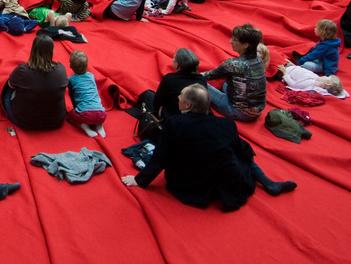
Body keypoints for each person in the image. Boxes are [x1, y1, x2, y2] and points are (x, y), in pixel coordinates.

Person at [121, 84, 297, 211]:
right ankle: (265, 180)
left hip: (187, 182)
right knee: (241, 150)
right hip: (223, 178)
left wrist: (139, 180)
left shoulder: (174, 124)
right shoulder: (226, 125)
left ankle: (266, 182)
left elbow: (161, 157)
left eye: (181, 96)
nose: (178, 98)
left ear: (188, 104)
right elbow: (243, 150)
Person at [201, 23, 266, 122]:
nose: (230, 41)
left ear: (245, 45)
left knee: (198, 83)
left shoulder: (234, 64)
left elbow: (207, 76)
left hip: (239, 111)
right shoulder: (258, 60)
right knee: (226, 84)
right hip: (257, 110)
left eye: (235, 40)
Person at [1, 34, 68, 129]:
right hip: (55, 121)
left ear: (33, 50)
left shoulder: (22, 70)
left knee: (6, 89)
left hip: (25, 121)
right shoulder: (61, 69)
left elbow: (11, 86)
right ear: (52, 51)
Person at [153, 48, 207, 120]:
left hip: (174, 118)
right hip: (199, 117)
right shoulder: (202, 80)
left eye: (174, 59)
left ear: (177, 64)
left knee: (148, 95)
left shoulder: (170, 79)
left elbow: (156, 102)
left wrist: (162, 107)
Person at [66, 50, 106, 137]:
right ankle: (99, 125)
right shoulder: (91, 76)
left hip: (85, 114)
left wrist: (75, 108)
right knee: (95, 115)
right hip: (101, 113)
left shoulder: (71, 80)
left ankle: (84, 126)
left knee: (70, 115)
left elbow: (72, 97)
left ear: (70, 65)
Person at [277, 63, 345, 97]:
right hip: (290, 67)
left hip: (283, 71)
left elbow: (293, 85)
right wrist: (295, 66)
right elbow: (303, 72)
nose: (324, 76)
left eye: (327, 77)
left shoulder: (311, 83)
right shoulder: (316, 78)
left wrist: (284, 72)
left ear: (327, 83)